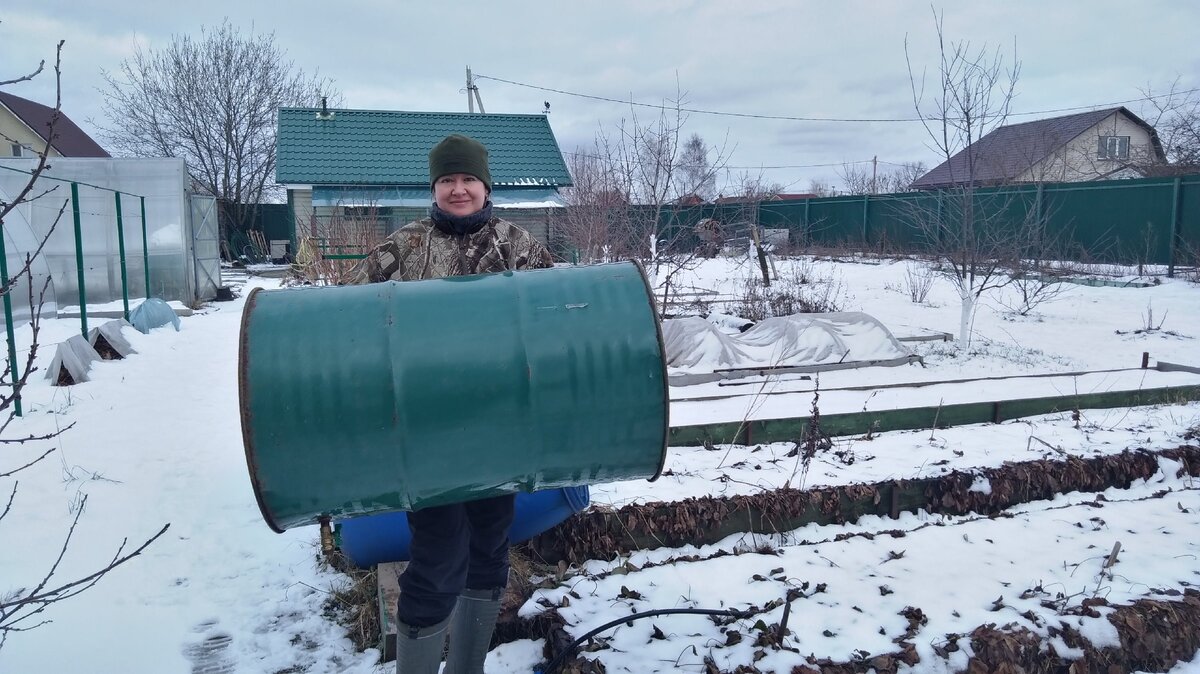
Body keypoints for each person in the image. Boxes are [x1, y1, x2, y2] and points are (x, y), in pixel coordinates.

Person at [346, 134, 554, 673]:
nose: (458, 190)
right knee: (437, 559)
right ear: (434, 187)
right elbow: (347, 318)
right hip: (427, 436)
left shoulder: (520, 249)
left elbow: (555, 327)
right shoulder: (402, 249)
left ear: (486, 185)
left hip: (499, 428)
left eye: (468, 179)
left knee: (488, 551)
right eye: (446, 180)